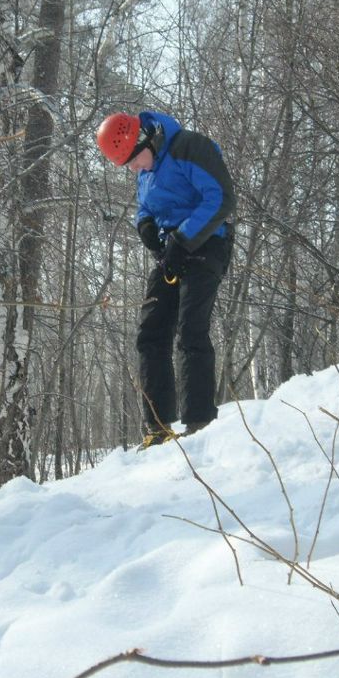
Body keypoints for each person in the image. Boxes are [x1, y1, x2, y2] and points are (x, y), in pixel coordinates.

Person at [96, 110, 235, 448]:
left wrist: (183, 239)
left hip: (207, 244)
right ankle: (158, 427)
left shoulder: (189, 147)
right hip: (171, 250)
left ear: (146, 140)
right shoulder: (146, 166)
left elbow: (220, 198)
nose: (134, 169)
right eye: (127, 165)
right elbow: (146, 206)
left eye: (133, 160)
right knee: (151, 333)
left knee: (190, 329)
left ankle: (199, 422)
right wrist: (144, 224)